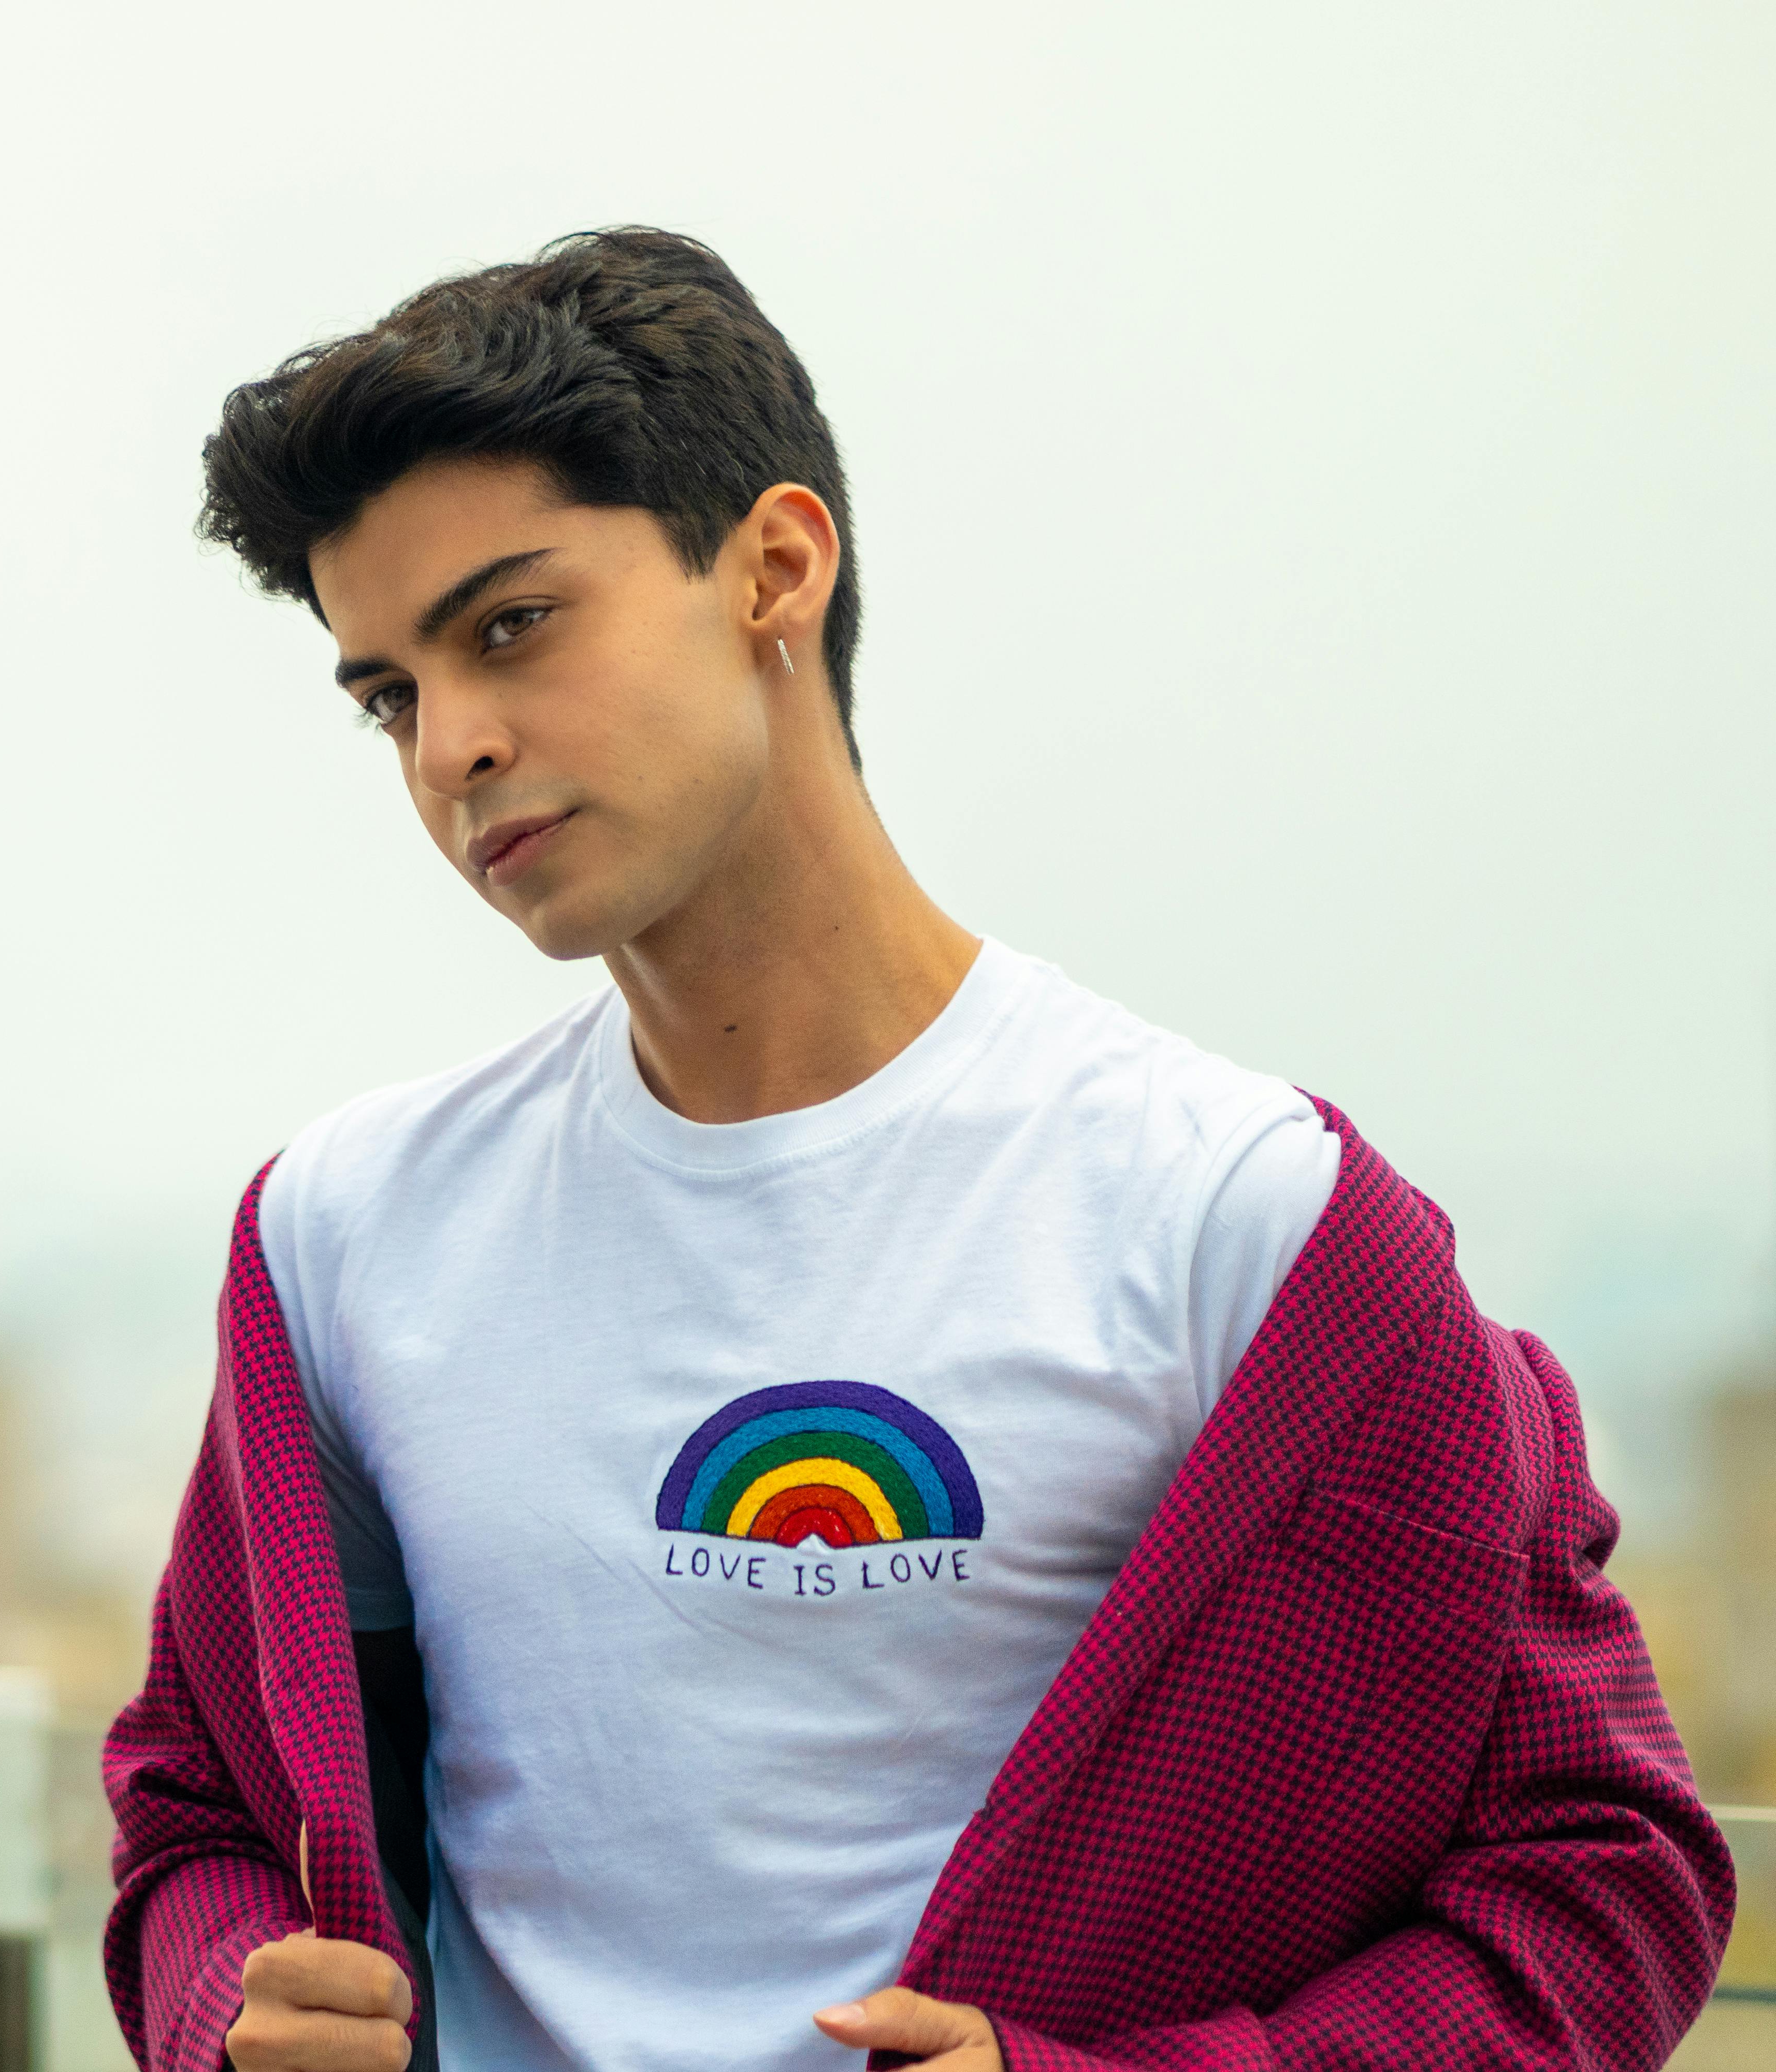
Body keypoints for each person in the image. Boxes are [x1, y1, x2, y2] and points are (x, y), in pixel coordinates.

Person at [100, 228, 1733, 2072]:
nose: (452, 748)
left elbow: (1596, 1883)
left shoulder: (1238, 1220)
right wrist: (224, 2011)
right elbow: (204, 1822)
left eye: (512, 627)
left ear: (776, 568)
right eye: (391, 693)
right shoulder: (349, 1232)